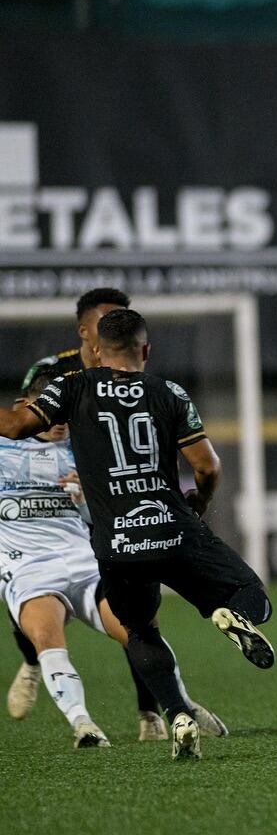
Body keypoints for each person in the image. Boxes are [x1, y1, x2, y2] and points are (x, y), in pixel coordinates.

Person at [0, 309, 275, 760]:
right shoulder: (169, 391)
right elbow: (207, 466)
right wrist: (200, 504)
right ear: (145, 350)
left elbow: (14, 426)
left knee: (140, 631)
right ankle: (229, 615)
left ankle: (175, 714)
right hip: (171, 527)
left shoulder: (74, 388)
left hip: (116, 544)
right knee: (251, 594)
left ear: (95, 351)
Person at [1, 367, 226, 747]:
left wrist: (88, 499)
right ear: (27, 407)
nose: (58, 423)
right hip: (29, 566)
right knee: (45, 636)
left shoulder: (87, 449)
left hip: (86, 563)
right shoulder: (4, 449)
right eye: (49, 413)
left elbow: (110, 511)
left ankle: (181, 704)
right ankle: (84, 725)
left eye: (63, 415)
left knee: (138, 628)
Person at [7, 287, 130, 718]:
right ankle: (32, 660)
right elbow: (26, 427)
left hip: (107, 492)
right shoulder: (51, 371)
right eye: (107, 323)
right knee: (29, 581)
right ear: (84, 330)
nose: (117, 331)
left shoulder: (130, 367)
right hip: (59, 487)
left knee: (136, 604)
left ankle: (153, 711)